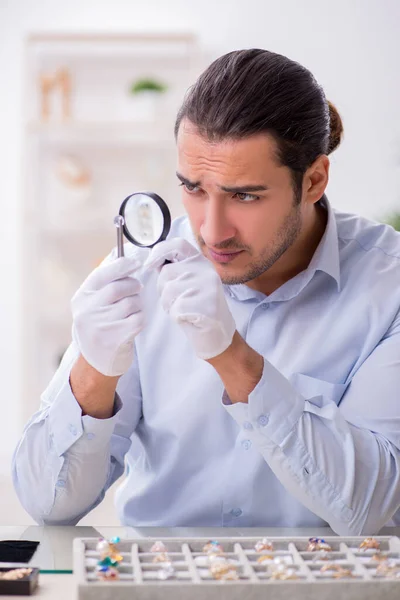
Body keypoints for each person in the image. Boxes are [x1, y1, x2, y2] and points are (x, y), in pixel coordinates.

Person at [13, 49, 400, 535]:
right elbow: (48, 504)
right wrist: (93, 369)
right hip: (157, 583)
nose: (212, 232)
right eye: (194, 188)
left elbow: (371, 507)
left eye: (244, 196)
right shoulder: (141, 271)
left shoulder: (390, 289)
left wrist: (231, 357)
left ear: (314, 180)